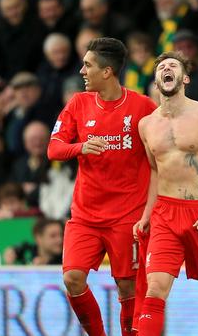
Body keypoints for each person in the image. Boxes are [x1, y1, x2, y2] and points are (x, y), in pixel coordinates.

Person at [48, 37, 158, 335]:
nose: (82, 71)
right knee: (72, 278)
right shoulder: (78, 104)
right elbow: (54, 149)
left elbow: (168, 147)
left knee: (127, 288)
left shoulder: (142, 107)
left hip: (127, 215)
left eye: (88, 65)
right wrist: (80, 148)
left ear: (107, 71)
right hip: (85, 215)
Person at [137, 51, 198, 334]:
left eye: (173, 66)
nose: (167, 69)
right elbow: (156, 171)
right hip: (165, 214)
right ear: (156, 81)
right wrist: (146, 215)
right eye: (161, 68)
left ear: (185, 78)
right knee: (154, 289)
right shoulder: (147, 125)